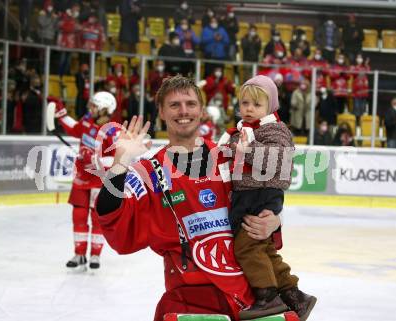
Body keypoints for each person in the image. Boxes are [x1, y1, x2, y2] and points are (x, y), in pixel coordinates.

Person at [95, 75, 283, 321]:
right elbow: (111, 216)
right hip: (190, 302)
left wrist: (274, 220)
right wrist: (120, 162)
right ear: (161, 111)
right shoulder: (150, 172)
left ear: (201, 110)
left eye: (190, 103)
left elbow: (265, 198)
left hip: (252, 297)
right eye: (174, 105)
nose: (183, 111)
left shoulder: (231, 156)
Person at [217, 75, 316, 320]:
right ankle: (295, 296)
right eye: (245, 103)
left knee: (247, 247)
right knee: (263, 248)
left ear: (270, 107)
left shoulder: (275, 130)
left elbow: (280, 160)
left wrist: (247, 150)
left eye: (256, 105)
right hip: (248, 194)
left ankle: (267, 296)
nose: (249, 109)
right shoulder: (243, 130)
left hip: (261, 194)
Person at [51, 91, 119, 270]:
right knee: (79, 215)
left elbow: (117, 158)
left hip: (100, 180)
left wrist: (95, 160)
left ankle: (95, 255)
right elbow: (74, 129)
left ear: (105, 109)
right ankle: (79, 254)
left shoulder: (113, 131)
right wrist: (61, 113)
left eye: (95, 106)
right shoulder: (88, 120)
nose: (91, 108)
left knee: (97, 218)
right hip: (81, 177)